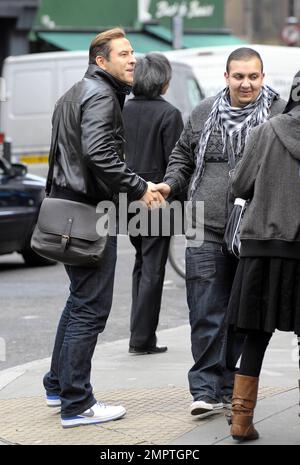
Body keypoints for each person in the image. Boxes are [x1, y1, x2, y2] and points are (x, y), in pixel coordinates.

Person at [152, 48, 286, 416]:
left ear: (263, 77)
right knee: (206, 309)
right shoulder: (202, 111)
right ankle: (206, 389)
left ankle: (230, 384)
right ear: (226, 77)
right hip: (204, 223)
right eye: (238, 76)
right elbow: (182, 155)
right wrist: (169, 185)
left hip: (255, 229)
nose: (246, 83)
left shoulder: (280, 114)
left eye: (253, 77)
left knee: (243, 315)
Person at [42, 28, 163, 429]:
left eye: (133, 53)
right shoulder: (101, 95)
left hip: (67, 209)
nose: (133, 60)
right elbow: (98, 153)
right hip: (89, 213)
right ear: (101, 61)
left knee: (79, 301)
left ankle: (57, 384)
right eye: (124, 54)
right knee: (90, 308)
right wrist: (139, 185)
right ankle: (77, 403)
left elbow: (66, 154)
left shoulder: (74, 93)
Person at [226, 70, 300, 441]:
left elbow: (239, 184)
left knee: (254, 334)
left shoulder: (268, 130)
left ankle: (240, 421)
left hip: (262, 250)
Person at [123, 53, 184, 355]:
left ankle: (139, 333)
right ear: (163, 80)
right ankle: (142, 338)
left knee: (140, 262)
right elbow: (176, 162)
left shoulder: (122, 109)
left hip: (126, 197)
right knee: (153, 268)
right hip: (157, 198)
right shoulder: (169, 114)